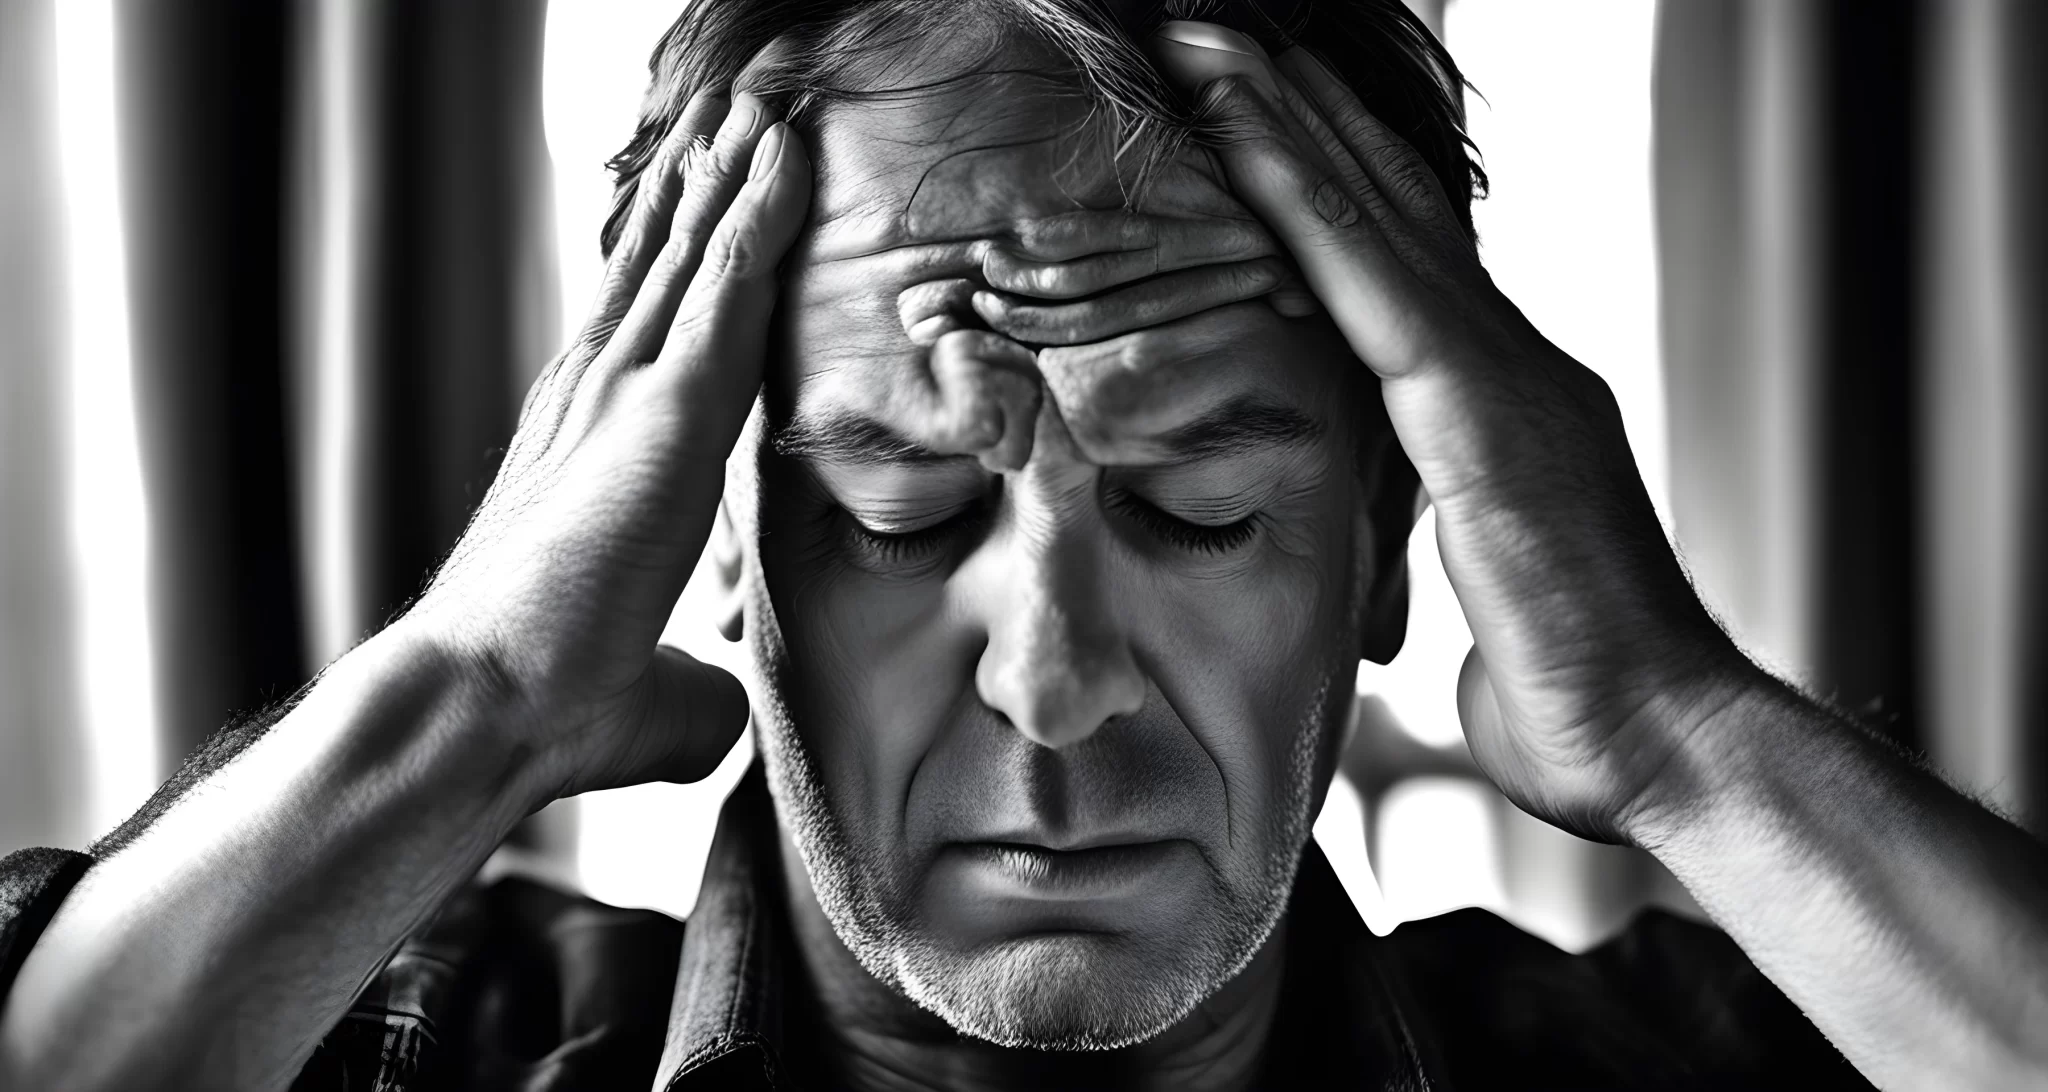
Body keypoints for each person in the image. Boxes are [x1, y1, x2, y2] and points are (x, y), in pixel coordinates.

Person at [3, 1, 2046, 1089]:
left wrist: (1681, 732)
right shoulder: (412, 1072)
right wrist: (473, 697)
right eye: (898, 512)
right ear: (710, 541)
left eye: (1199, 509)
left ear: (1392, 550)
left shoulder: (1715, 1073)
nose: (1050, 678)